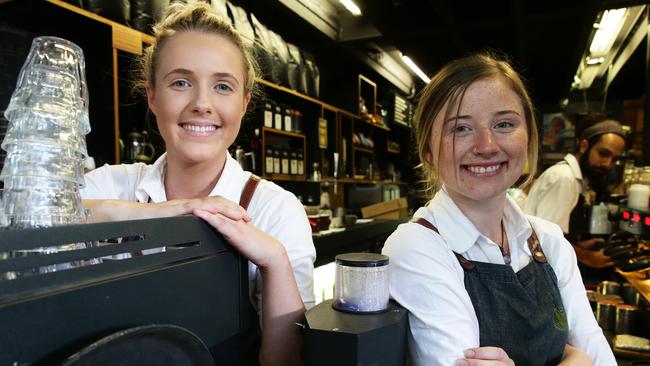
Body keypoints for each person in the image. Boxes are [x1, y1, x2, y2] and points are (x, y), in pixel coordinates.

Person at [80, 3, 315, 365]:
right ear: (153, 97)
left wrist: (276, 263)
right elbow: (27, 217)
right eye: (181, 82)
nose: (202, 103)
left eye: (223, 86)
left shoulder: (274, 208)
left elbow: (285, 362)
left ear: (243, 103)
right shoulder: (113, 184)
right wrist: (167, 212)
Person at [382, 53, 615, 365]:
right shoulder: (416, 246)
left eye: (504, 124)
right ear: (428, 150)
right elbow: (588, 359)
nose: (487, 145)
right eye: (460, 129)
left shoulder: (549, 241)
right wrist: (576, 360)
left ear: (528, 134)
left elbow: (600, 358)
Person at [524, 116, 626, 280]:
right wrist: (587, 256)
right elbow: (546, 242)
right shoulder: (564, 178)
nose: (607, 164)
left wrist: (580, 246)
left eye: (614, 159)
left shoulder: (573, 178)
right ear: (584, 146)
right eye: (603, 153)